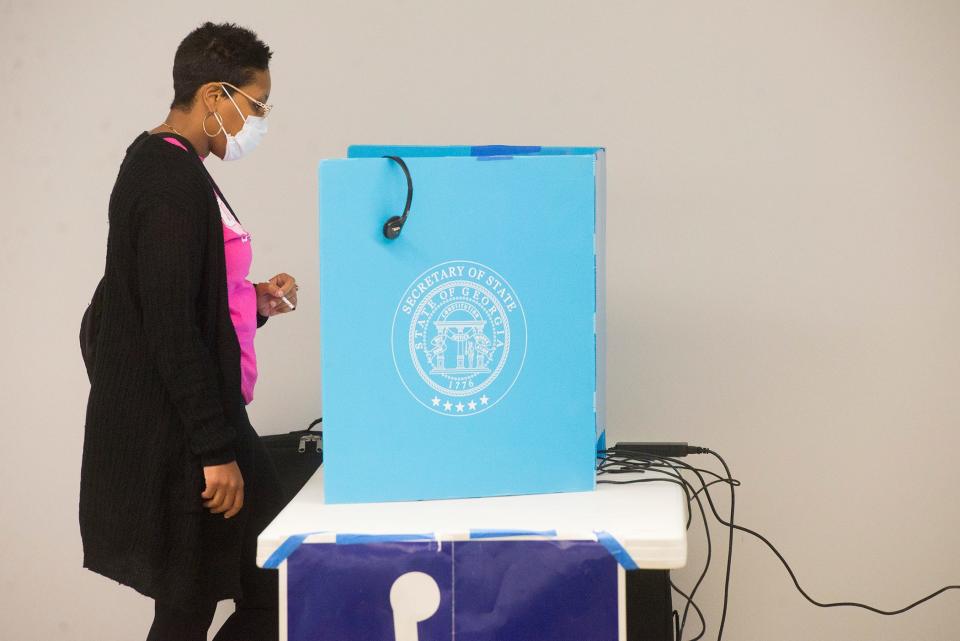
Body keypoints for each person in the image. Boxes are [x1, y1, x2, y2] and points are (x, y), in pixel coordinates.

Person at [79, 22, 294, 641]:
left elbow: (185, 297)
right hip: (189, 438)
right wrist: (215, 450)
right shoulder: (167, 180)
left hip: (202, 423)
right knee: (255, 588)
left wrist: (251, 303)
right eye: (255, 106)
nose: (259, 122)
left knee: (195, 600)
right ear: (214, 97)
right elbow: (169, 325)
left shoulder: (175, 167)